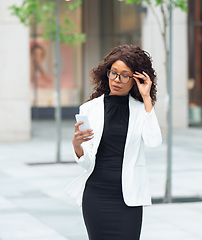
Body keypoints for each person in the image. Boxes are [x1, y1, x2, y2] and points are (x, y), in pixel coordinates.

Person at [65, 45, 162, 240]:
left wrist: (146, 98)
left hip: (129, 198)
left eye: (124, 75)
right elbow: (87, 163)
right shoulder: (89, 109)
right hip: (97, 196)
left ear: (136, 79)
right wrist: (77, 146)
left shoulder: (140, 110)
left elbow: (154, 142)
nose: (117, 80)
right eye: (113, 73)